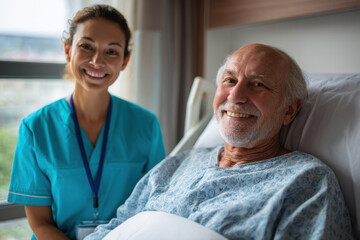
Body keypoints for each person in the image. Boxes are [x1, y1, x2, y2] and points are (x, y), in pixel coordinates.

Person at [85, 43, 354, 240]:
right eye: (229, 80)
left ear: (289, 110)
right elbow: (114, 227)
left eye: (258, 84)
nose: (235, 96)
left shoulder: (306, 182)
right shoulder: (178, 164)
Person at [7, 4, 165, 240]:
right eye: (86, 47)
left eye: (111, 51)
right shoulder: (36, 129)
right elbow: (40, 224)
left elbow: (155, 206)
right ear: (68, 50)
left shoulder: (146, 125)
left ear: (125, 60)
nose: (97, 61)